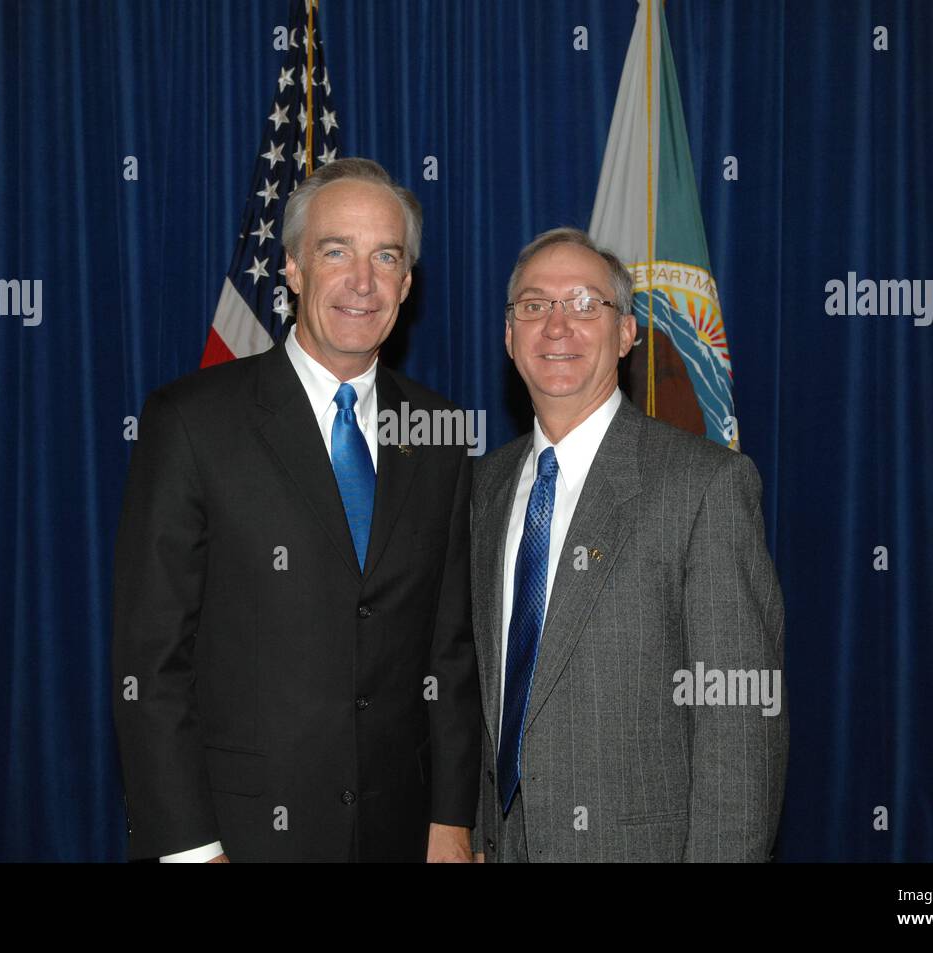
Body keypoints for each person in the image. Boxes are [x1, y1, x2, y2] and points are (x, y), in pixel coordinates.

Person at [112, 158, 480, 862]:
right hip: (240, 836)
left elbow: (449, 650)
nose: (362, 281)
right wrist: (190, 849)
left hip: (401, 834)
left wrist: (450, 818)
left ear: (407, 283)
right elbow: (150, 662)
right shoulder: (191, 422)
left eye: (386, 257)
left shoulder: (440, 433)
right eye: (336, 251)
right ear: (293, 269)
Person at [469, 228, 787, 862]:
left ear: (626, 335)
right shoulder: (484, 485)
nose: (557, 327)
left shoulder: (705, 486)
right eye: (534, 306)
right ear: (509, 336)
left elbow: (739, 721)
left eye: (586, 304)